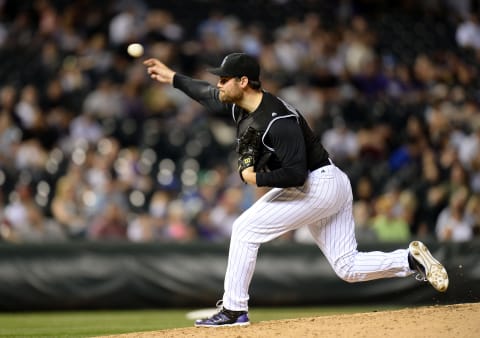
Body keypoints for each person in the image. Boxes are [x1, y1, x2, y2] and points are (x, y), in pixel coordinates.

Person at [143, 52, 449, 327]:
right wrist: (172, 78)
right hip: (328, 183)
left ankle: (235, 310)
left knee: (245, 229)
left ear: (244, 81)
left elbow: (295, 174)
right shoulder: (242, 107)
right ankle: (409, 260)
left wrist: (254, 179)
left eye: (224, 79)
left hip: (318, 183)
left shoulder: (278, 120)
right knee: (348, 266)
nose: (219, 85)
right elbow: (207, 95)